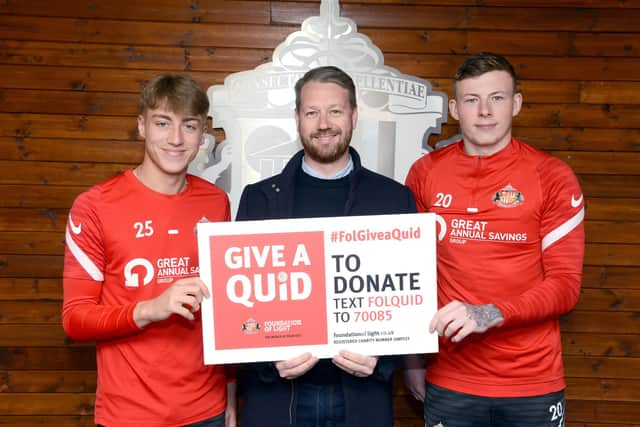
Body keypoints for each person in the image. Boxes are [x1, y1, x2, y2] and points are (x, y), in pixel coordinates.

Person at [404, 52, 585, 426]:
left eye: (497, 98)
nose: (485, 110)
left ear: (515, 103)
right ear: (455, 108)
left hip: (531, 382)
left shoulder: (552, 176)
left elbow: (565, 286)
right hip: (451, 378)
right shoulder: (425, 173)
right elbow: (410, 272)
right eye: (472, 100)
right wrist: (411, 361)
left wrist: (488, 313)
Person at [235, 65, 417, 426]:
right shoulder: (258, 199)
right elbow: (240, 307)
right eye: (312, 112)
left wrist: (383, 361)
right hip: (277, 397)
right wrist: (266, 362)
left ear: (353, 116)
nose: (323, 123)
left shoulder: (394, 198)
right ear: (297, 119)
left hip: (362, 396)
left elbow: (410, 299)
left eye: (334, 111)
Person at [62, 74, 236, 427]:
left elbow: (226, 312)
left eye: (189, 126)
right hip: (129, 415)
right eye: (162, 123)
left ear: (203, 136)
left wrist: (231, 396)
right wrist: (151, 308)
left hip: (208, 410)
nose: (176, 138)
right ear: (141, 126)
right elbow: (75, 319)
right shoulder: (95, 206)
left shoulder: (217, 202)